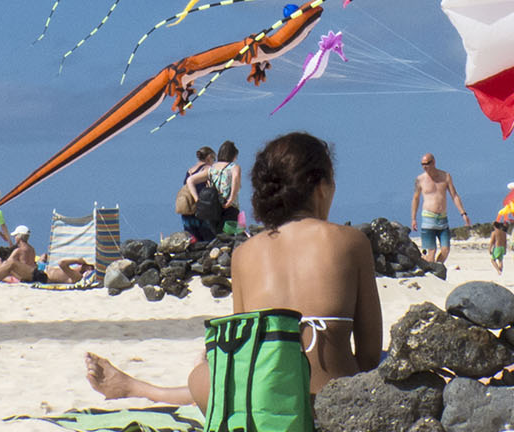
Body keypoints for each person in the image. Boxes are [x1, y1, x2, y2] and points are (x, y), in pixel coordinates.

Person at [84, 131, 384, 424]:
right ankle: (138, 388)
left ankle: (140, 389)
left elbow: (243, 360)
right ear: (321, 187)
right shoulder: (351, 242)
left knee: (205, 372)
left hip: (260, 410)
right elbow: (370, 356)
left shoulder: (244, 255)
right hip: (330, 409)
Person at [408, 152, 469, 265]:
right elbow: (415, 199)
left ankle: (436, 269)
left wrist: (463, 213)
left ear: (434, 162)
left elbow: (454, 195)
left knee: (445, 250)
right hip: (428, 219)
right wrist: (413, 218)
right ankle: (429, 267)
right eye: (422, 164)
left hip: (442, 219)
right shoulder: (420, 179)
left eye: (427, 163)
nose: (425, 166)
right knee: (431, 253)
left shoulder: (445, 176)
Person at [180, 147, 217, 241]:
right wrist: (197, 200)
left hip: (188, 208)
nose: (214, 162)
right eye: (214, 159)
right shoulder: (207, 169)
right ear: (209, 157)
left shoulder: (190, 171)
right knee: (208, 239)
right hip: (201, 208)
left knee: (192, 239)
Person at [214, 141, 245, 234]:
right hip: (230, 205)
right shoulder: (234, 167)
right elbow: (235, 180)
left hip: (215, 205)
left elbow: (191, 180)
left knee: (218, 234)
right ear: (232, 155)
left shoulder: (212, 167)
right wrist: (231, 200)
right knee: (229, 234)